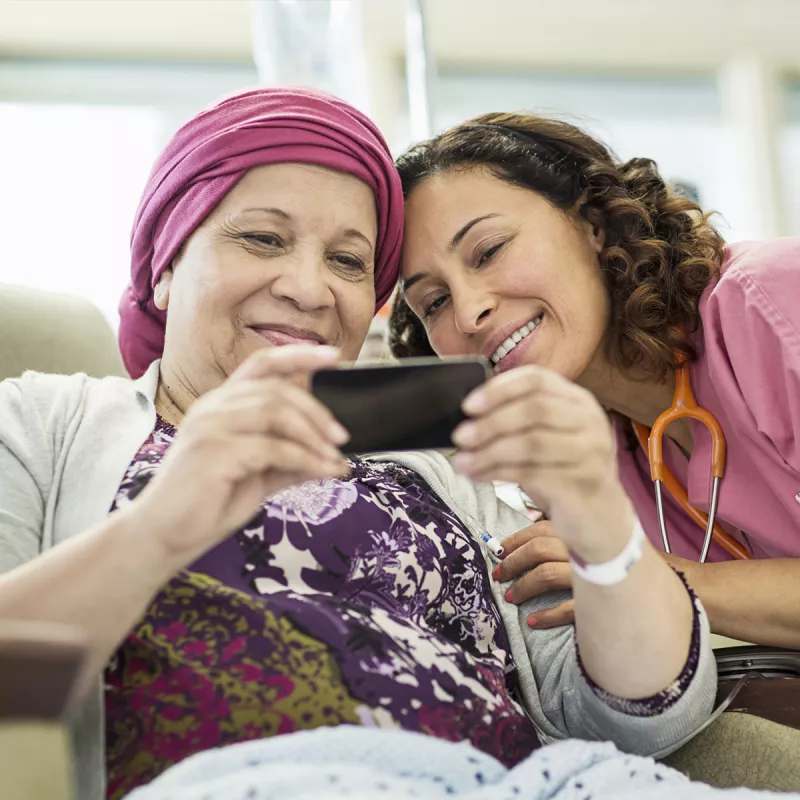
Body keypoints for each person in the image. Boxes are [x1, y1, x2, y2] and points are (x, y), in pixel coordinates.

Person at [0, 89, 713, 800]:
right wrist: (162, 525)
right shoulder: (40, 422)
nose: (311, 289)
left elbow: (648, 718)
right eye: (263, 239)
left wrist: (600, 521)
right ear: (164, 266)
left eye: (347, 262)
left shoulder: (443, 468)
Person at [389, 112, 800, 649]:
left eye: (489, 251)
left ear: (592, 223)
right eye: (434, 302)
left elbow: (652, 585)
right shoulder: (583, 464)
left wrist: (646, 576)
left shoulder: (771, 301)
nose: (469, 312)